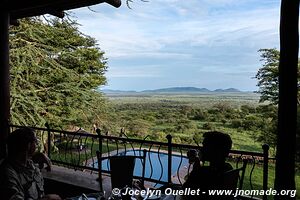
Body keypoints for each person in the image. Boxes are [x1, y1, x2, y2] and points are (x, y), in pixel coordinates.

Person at [0, 127, 61, 200]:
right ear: (28, 145)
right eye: (35, 142)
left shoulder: (28, 163)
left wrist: (37, 156)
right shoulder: (8, 173)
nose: (37, 144)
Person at [181, 131, 233, 200]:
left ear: (214, 150)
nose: (201, 149)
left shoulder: (203, 172)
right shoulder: (228, 168)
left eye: (205, 146)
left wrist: (196, 169)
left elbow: (185, 191)